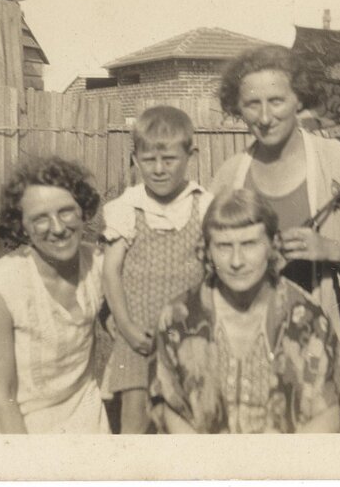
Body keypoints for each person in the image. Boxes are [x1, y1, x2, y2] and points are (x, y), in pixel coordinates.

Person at [210, 44, 340, 432]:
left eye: (276, 100)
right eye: (251, 104)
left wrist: (331, 249)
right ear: (237, 107)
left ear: (299, 99)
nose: (264, 117)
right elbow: (206, 257)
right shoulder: (230, 175)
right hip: (251, 345)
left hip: (327, 343)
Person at [150, 188, 340, 433]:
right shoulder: (179, 318)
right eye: (223, 246)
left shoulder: (309, 320)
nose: (236, 261)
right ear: (207, 250)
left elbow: (326, 415)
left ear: (272, 245)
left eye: (249, 244)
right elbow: (173, 408)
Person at [0, 157, 109, 434]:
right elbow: (2, 398)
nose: (58, 228)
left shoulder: (98, 264)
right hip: (9, 427)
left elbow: (128, 330)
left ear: (83, 210)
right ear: (22, 226)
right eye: (40, 218)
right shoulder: (2, 284)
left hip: (81, 419)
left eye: (66, 212)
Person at [100, 105, 212, 433]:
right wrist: (125, 326)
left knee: (187, 413)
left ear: (190, 156)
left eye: (169, 160)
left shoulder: (203, 205)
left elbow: (213, 270)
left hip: (188, 332)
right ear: (135, 160)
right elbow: (110, 273)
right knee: (135, 413)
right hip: (139, 332)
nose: (159, 169)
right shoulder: (127, 207)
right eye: (149, 161)